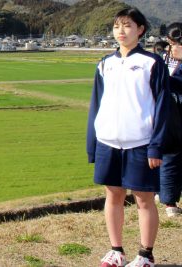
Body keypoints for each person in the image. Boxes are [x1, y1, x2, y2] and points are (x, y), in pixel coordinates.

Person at [86, 8, 170, 267]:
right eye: (116, 27)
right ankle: (116, 250)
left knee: (144, 198)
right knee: (113, 195)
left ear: (140, 30)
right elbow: (96, 105)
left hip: (141, 142)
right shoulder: (105, 64)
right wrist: (93, 143)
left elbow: (162, 107)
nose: (121, 32)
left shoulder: (152, 63)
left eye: (127, 26)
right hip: (108, 141)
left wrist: (156, 146)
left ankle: (146, 255)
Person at [157, 22, 182, 217]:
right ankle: (169, 201)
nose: (170, 48)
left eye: (173, 43)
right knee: (170, 155)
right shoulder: (165, 59)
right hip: (171, 114)